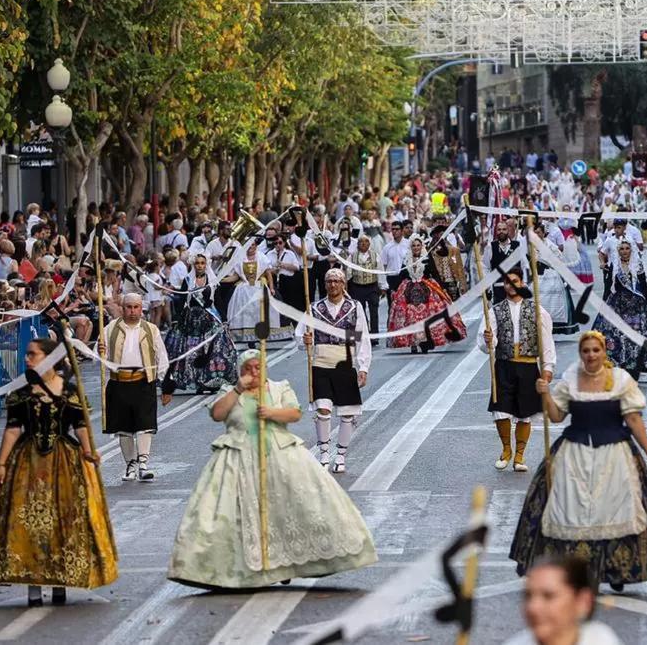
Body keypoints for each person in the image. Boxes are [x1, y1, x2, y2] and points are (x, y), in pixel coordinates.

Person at [167, 350, 377, 589]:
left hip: (279, 453)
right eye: (248, 368)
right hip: (237, 456)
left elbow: (294, 413)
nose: (253, 373)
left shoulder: (278, 388)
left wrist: (271, 413)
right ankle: (230, 568)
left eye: (258, 368)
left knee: (288, 509)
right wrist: (238, 390)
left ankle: (289, 562)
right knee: (235, 513)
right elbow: (217, 414)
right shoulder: (230, 392)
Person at [511, 330, 647, 593]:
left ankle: (617, 569)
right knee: (575, 513)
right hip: (574, 454)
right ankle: (585, 572)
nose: (591, 355)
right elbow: (555, 417)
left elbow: (633, 420)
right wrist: (545, 394)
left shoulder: (620, 380)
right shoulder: (571, 380)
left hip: (615, 456)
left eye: (595, 350)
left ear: (604, 352)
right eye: (586, 351)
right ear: (580, 353)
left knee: (614, 510)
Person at [0, 338, 117, 606]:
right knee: (30, 520)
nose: (27, 359)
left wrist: (89, 450)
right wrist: (2, 465)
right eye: (27, 354)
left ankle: (59, 581)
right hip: (27, 463)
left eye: (33, 354)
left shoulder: (70, 391)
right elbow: (12, 429)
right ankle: (32, 584)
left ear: (50, 358)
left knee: (64, 519)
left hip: (64, 462)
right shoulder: (20, 392)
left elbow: (80, 426)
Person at [296, 269, 372, 474]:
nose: (332, 285)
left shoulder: (354, 308)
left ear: (343, 284)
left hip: (344, 364)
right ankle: (324, 453)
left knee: (347, 413)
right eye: (329, 281)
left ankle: (340, 455)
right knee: (323, 409)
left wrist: (363, 366)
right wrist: (305, 340)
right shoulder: (314, 309)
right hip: (320, 364)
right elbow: (299, 334)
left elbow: (362, 337)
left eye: (337, 281)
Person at [480, 270, 555, 472]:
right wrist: (489, 340)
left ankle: (520, 456)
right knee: (501, 410)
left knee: (525, 413)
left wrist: (547, 368)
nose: (511, 285)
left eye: (514, 281)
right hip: (504, 365)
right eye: (507, 282)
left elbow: (547, 342)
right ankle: (506, 450)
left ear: (522, 283)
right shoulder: (494, 311)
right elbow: (485, 343)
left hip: (528, 366)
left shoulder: (538, 311)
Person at [99, 293, 171, 482]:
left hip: (143, 382)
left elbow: (161, 357)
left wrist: (166, 385)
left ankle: (144, 463)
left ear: (141, 308)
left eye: (136, 307)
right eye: (128, 307)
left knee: (145, 425)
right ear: (122, 308)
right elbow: (98, 357)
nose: (132, 311)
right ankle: (130, 464)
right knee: (123, 428)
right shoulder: (109, 329)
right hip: (119, 383)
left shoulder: (151, 329)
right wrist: (99, 351)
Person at [501, 556, 623, 645]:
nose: (533, 607)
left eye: (548, 596)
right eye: (528, 596)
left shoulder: (602, 640)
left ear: (582, 602)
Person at [591, 239, 647, 380]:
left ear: (631, 251)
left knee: (636, 336)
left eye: (627, 249)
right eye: (622, 249)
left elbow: (643, 286)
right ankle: (621, 364)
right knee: (618, 336)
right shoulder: (615, 266)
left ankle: (634, 365)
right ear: (618, 251)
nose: (625, 251)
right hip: (619, 306)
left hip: (636, 307)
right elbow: (608, 287)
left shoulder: (637, 266)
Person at [164, 254, 239, 393]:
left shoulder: (212, 280)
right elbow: (181, 300)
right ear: (194, 264)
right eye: (197, 263)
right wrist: (176, 318)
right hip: (191, 320)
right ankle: (196, 381)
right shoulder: (188, 280)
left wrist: (223, 319)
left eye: (202, 263)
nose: (200, 265)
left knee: (213, 349)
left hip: (209, 318)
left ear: (206, 264)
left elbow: (217, 300)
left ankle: (210, 381)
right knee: (192, 351)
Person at [386, 237, 467, 353]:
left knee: (427, 316)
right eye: (413, 246)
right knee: (410, 316)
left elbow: (435, 274)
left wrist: (442, 288)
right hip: (409, 290)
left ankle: (425, 342)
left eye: (418, 245)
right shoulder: (406, 260)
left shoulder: (427, 258)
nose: (416, 248)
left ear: (422, 246)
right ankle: (413, 342)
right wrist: (394, 289)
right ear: (411, 247)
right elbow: (401, 275)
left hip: (426, 289)